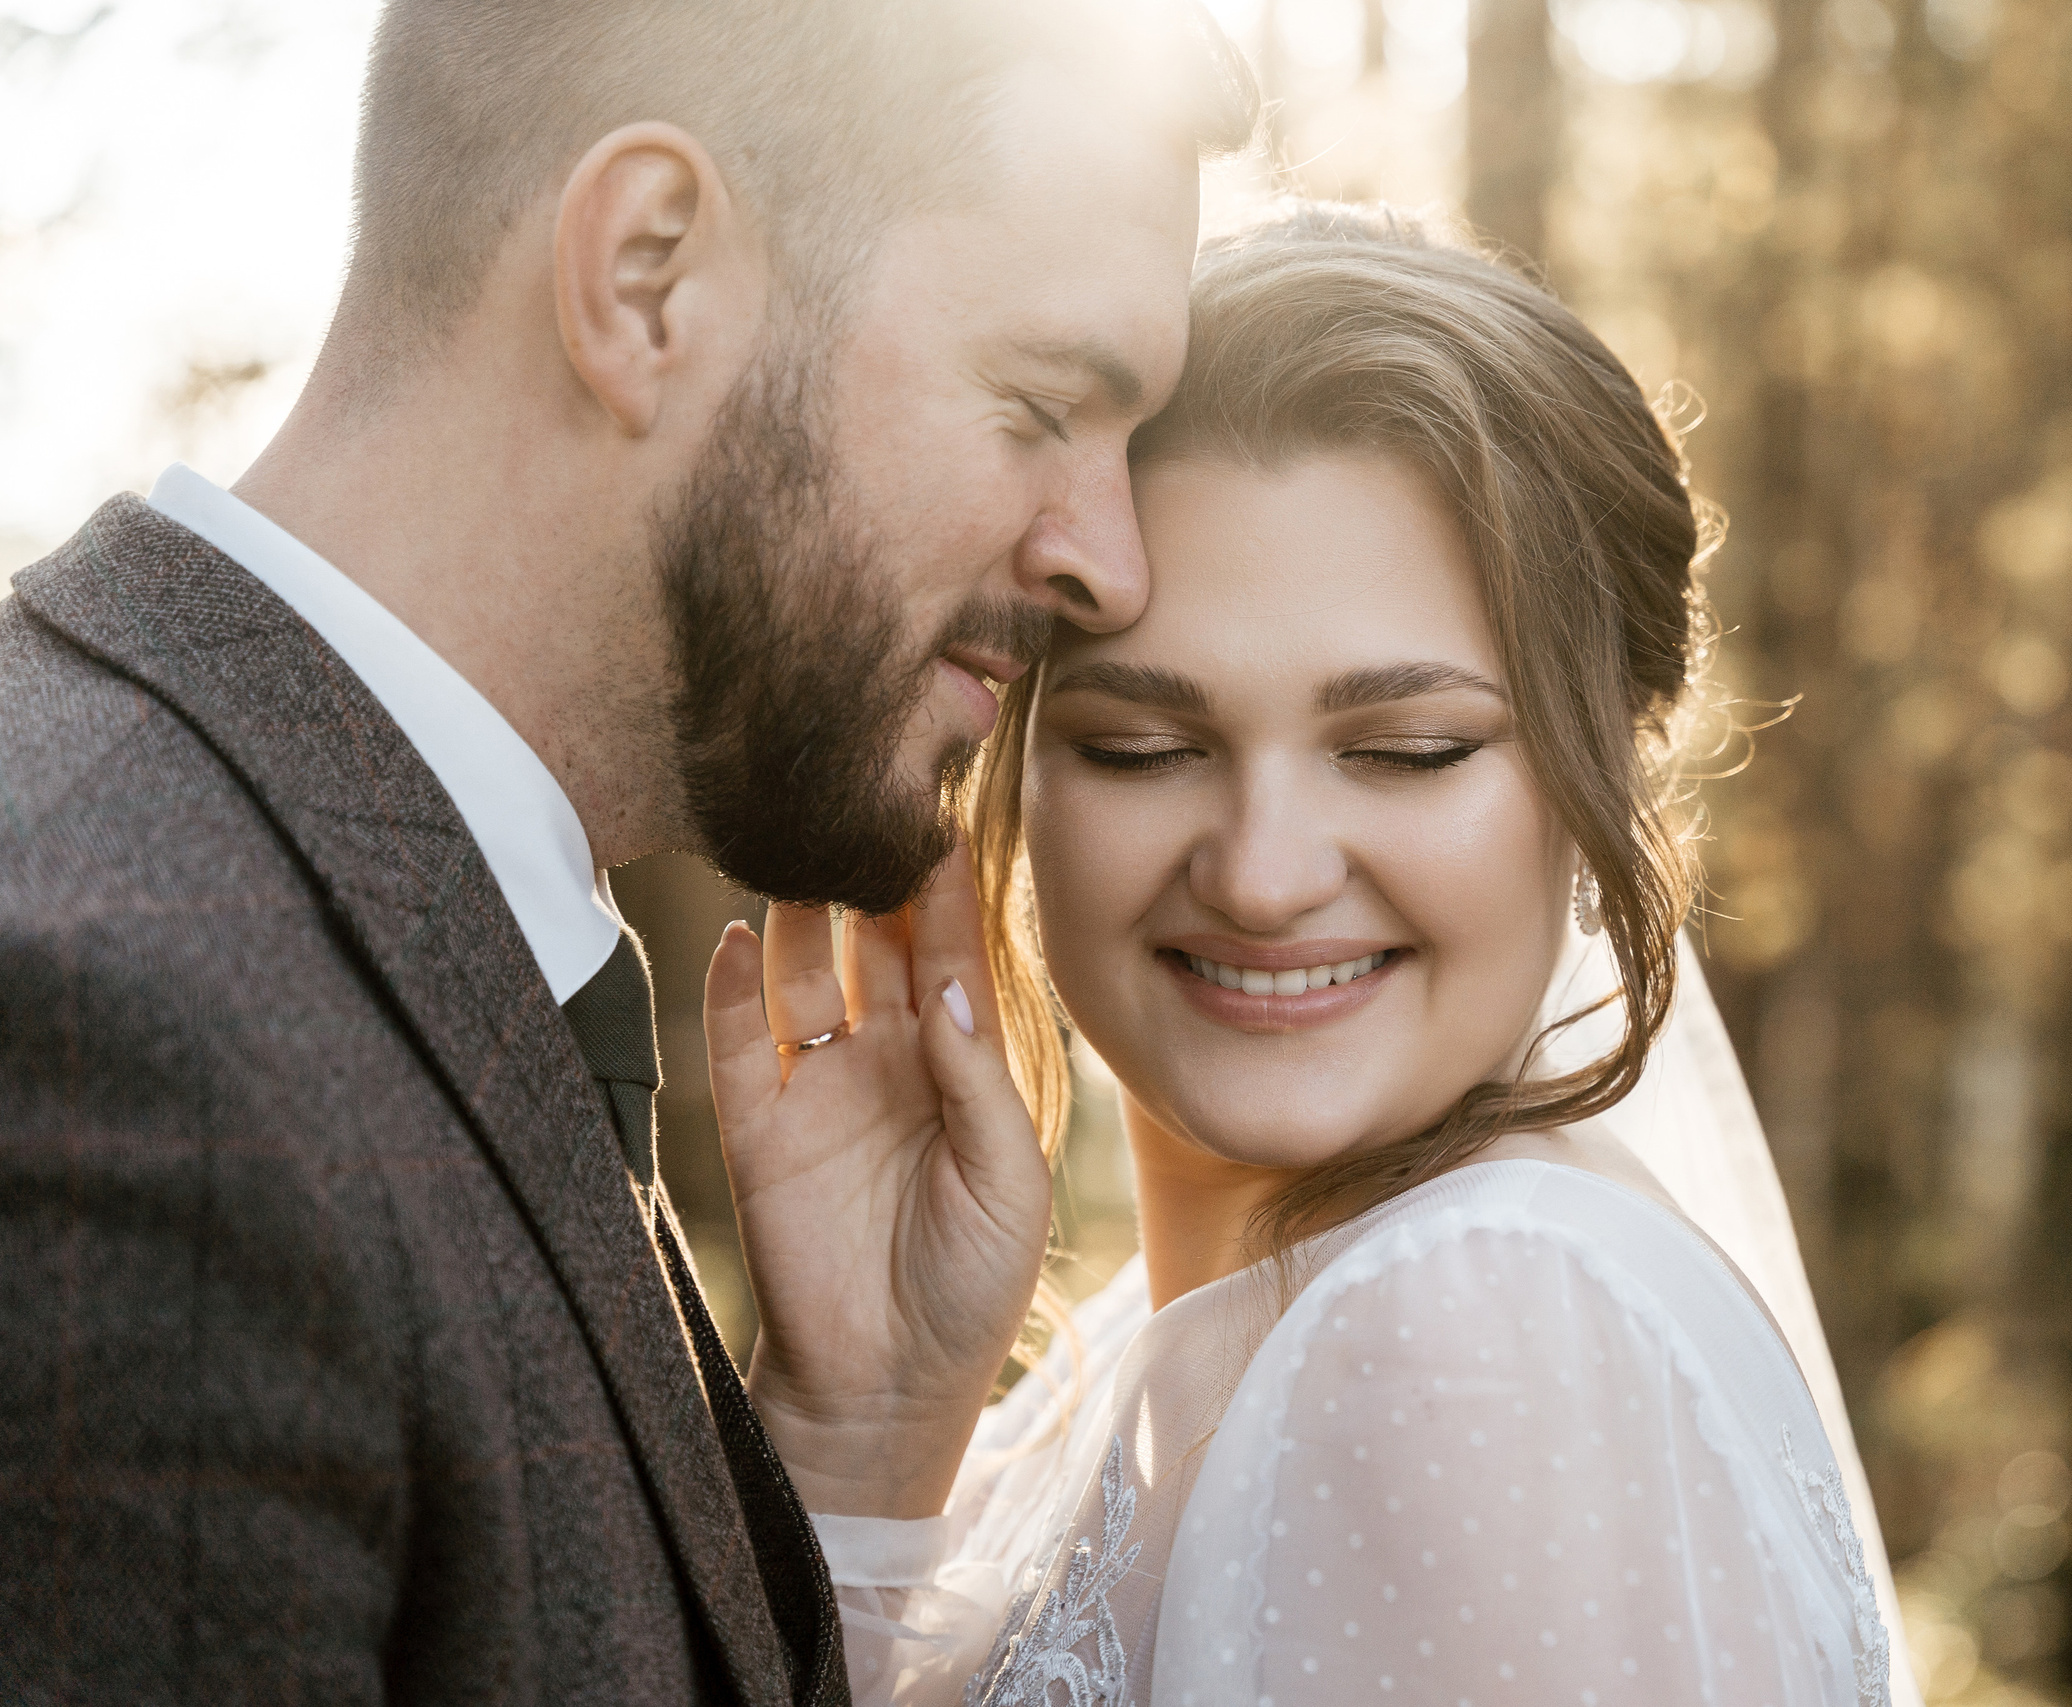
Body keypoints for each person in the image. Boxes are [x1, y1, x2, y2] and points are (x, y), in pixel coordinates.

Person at [0, 4, 1252, 1702]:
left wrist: (850, 1457)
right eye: (1042, 401)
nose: (1112, 561)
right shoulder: (120, 1055)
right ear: (649, 275)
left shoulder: (343, 895)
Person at [710, 208, 1922, 1705]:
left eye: (1408, 752)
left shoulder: (1474, 1330)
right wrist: (863, 1435)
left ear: (1605, 768)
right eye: (1143, 747)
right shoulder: (1131, 1365)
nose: (1265, 875)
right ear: (1012, 759)